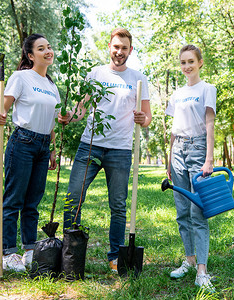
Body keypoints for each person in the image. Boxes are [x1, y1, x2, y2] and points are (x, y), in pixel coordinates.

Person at [58, 28, 151, 272]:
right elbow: (81, 110)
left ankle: (114, 257)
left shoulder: (139, 79)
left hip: (120, 150)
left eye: (124, 48)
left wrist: (143, 118)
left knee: (118, 206)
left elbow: (147, 117)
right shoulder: (95, 73)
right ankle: (70, 255)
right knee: (72, 198)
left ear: (130, 50)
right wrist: (68, 116)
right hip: (90, 145)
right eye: (116, 47)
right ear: (109, 47)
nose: (119, 52)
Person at [0, 33, 59, 272]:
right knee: (13, 200)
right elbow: (3, 108)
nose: (48, 51)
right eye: (41, 48)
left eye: (49, 47)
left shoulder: (52, 86)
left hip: (42, 146)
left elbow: (52, 119)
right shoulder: (21, 77)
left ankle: (30, 250)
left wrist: (51, 149)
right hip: (22, 142)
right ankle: (8, 253)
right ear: (31, 55)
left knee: (32, 203)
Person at [165, 44, 216, 292]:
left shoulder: (207, 89)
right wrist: (168, 159)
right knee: (182, 211)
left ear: (200, 63)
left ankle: (202, 271)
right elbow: (173, 130)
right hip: (178, 150)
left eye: (191, 62)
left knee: (198, 212)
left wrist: (209, 158)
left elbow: (209, 123)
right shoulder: (176, 94)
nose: (187, 66)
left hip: (198, 149)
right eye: (183, 62)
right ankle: (188, 260)